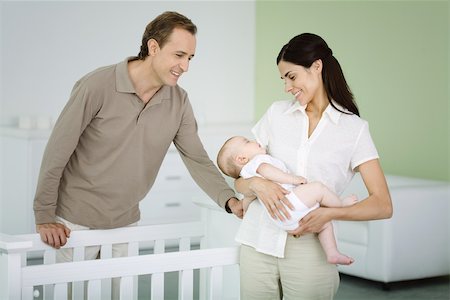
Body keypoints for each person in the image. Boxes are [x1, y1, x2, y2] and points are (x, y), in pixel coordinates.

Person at [33, 11, 242, 299]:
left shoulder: (179, 102)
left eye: (190, 58)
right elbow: (58, 150)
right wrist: (44, 215)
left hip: (125, 223)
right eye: (179, 55)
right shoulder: (97, 85)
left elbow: (196, 158)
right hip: (73, 222)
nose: (185, 66)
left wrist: (229, 200)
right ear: (153, 47)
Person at [234, 33, 393, 299]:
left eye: (291, 76)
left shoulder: (353, 129)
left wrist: (329, 214)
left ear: (316, 66)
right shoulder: (275, 114)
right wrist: (256, 184)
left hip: (311, 251)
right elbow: (240, 177)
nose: (287, 87)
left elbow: (382, 204)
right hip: (257, 243)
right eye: (283, 79)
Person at [217, 135, 357, 265]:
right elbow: (268, 171)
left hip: (281, 217)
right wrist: (292, 179)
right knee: (318, 189)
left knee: (324, 223)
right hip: (290, 202)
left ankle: (332, 253)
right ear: (241, 159)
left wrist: (246, 211)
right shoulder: (258, 162)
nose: (253, 140)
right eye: (247, 142)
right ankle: (341, 205)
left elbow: (248, 199)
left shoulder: (248, 175)